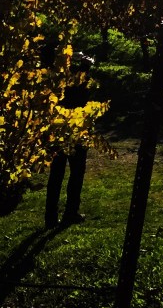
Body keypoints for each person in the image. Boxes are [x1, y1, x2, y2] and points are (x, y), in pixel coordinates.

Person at [45, 53, 95, 228]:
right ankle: (70, 212)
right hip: (77, 128)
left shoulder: (59, 80)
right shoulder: (83, 83)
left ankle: (50, 216)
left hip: (58, 128)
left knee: (56, 174)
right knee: (76, 172)